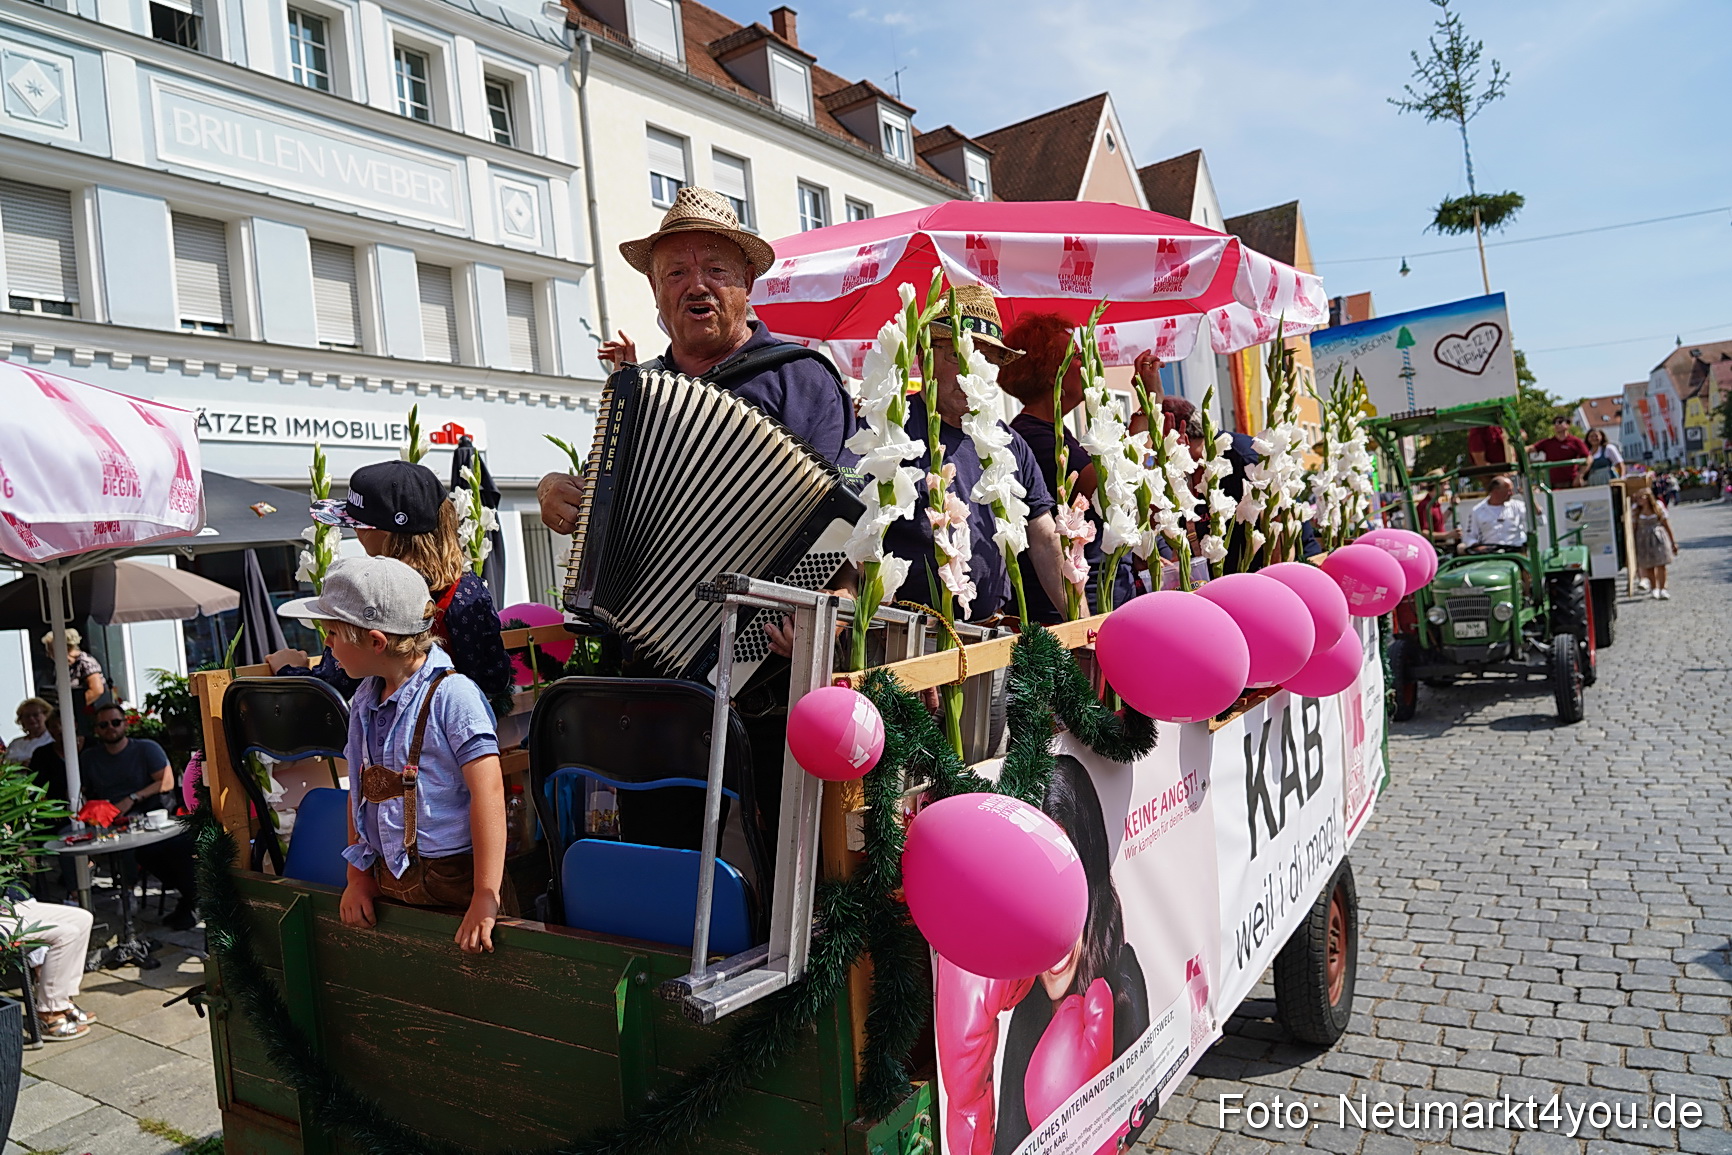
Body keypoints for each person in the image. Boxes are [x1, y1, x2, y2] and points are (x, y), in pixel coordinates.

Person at [536, 187, 857, 536]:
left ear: (746, 281)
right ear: (653, 286)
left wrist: (839, 584)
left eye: (715, 269)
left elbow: (847, 504)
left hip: (771, 587)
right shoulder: (638, 391)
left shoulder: (800, 378)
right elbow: (598, 499)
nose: (697, 286)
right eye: (675, 274)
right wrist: (554, 489)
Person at [279, 557, 509, 954]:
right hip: (390, 876)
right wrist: (357, 877)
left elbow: (488, 794)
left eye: (333, 632)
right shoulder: (365, 700)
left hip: (455, 881)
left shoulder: (454, 697)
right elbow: (360, 792)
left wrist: (485, 896)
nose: (327, 644)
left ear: (375, 642)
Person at [935, 756, 1149, 1155]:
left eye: (1066, 892)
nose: (1052, 932)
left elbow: (1139, 1108)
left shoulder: (1124, 980)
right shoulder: (1026, 1005)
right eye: (1034, 895)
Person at [879, 287, 1068, 622]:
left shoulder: (1008, 442)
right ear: (923, 358)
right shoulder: (892, 431)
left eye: (985, 358)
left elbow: (1043, 539)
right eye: (957, 354)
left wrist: (1082, 623)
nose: (970, 370)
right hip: (906, 635)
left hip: (991, 633)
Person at [267, 460, 513, 705]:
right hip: (462, 722)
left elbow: (334, 685)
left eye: (357, 526)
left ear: (383, 534)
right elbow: (495, 677)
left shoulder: (372, 591)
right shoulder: (469, 586)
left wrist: (287, 668)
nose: (358, 535)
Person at [998, 313, 1138, 620]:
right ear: (1053, 374)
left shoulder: (1055, 430)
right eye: (1076, 356)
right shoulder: (1036, 437)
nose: (1085, 363)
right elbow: (1102, 485)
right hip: (1072, 604)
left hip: (1093, 589)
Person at [79, 703, 200, 929]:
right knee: (135, 851)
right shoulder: (89, 758)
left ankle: (191, 899)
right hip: (110, 821)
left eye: (115, 722)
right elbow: (82, 792)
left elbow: (166, 782)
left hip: (150, 816)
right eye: (104, 725)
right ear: (96, 729)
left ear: (125, 723)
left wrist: (133, 798)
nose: (110, 728)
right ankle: (185, 899)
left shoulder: (146, 748)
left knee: (172, 847)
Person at [2, 887, 97, 1040]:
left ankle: (64, 998)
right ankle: (49, 1012)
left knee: (83, 919)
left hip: (13, 902)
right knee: (66, 933)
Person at [41, 629, 109, 739]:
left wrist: (73, 708)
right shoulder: (62, 665)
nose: (48, 654)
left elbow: (97, 690)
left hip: (84, 717)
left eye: (50, 649)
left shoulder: (85, 661)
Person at [1461, 475, 1528, 554]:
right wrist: (1478, 547)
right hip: (1490, 554)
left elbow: (1540, 521)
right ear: (1495, 491)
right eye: (1508, 491)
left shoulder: (1518, 506)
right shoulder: (1477, 511)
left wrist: (1529, 497)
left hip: (1516, 551)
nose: (1512, 493)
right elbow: (1469, 537)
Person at [1630, 489, 1677, 600]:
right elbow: (1633, 527)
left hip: (1658, 536)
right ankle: (1654, 588)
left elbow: (1666, 524)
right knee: (1649, 564)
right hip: (1643, 538)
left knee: (1661, 564)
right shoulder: (1636, 509)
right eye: (1638, 498)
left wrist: (1672, 541)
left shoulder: (1658, 506)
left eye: (1642, 497)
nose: (1639, 500)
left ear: (1648, 497)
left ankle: (1663, 589)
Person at [1529, 416, 1590, 490]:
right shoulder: (1548, 442)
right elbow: (1530, 448)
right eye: (1554, 423)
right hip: (1552, 484)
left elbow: (1588, 458)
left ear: (1568, 425)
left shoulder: (1575, 441)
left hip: (1571, 483)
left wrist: (1580, 476)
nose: (1556, 424)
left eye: (1560, 422)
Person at [6, 697, 54, 766]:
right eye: (27, 716)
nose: (31, 718)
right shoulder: (15, 743)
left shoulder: (52, 740)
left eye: (35, 715)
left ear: (46, 716)